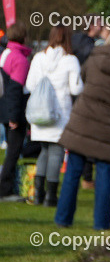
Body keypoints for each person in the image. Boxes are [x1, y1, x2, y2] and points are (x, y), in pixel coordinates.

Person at [54, 28, 110, 230]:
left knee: (73, 172)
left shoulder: (93, 59)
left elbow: (82, 80)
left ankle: (63, 219)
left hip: (83, 120)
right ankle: (101, 223)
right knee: (104, 175)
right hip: (108, 126)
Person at [25, 25, 83, 206]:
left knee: (44, 151)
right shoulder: (70, 60)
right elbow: (76, 88)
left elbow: (29, 84)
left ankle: (38, 194)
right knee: (56, 152)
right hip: (59, 113)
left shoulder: (38, 58)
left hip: (39, 112)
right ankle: (50, 196)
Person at [0, 22, 32, 200]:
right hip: (14, 110)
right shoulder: (19, 59)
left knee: (11, 150)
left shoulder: (5, 53)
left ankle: (6, 184)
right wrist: (14, 116)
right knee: (14, 150)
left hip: (4, 107)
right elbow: (15, 88)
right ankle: (5, 189)